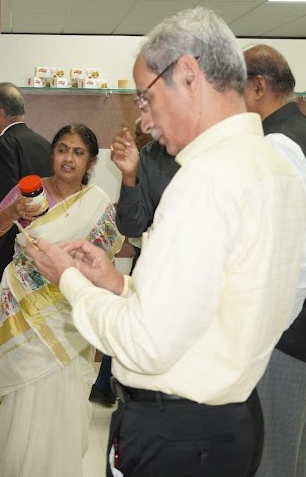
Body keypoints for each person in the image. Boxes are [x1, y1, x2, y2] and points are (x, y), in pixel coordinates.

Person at [26, 7, 306, 476]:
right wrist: (118, 284)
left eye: (144, 100)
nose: (146, 122)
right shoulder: (272, 167)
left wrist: (72, 281)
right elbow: (209, 305)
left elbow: (144, 344)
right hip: (231, 423)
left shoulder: (205, 181)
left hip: (174, 437)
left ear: (189, 75)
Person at [0, 123, 124, 477]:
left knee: (63, 399)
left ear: (91, 162)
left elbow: (103, 267)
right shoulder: (30, 191)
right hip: (22, 309)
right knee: (23, 395)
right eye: (61, 149)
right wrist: (14, 213)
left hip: (70, 314)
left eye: (77, 152)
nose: (67, 158)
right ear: (52, 154)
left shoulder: (98, 205)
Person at [244, 43, 306, 477]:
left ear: (259, 87)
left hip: (286, 338)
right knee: (290, 457)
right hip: (305, 331)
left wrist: (268, 327)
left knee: (273, 459)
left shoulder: (280, 143)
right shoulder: (302, 131)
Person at [89, 117, 180, 408]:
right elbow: (131, 225)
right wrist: (129, 177)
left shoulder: (217, 151)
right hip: (154, 275)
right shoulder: (151, 157)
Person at [0, 82, 53, 290]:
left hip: (11, 256)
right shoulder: (44, 144)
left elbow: (2, 206)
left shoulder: (3, 146)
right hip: (42, 249)